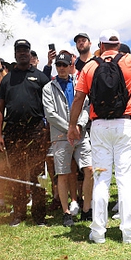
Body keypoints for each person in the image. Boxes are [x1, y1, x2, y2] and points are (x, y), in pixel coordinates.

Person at [69, 22, 131, 244]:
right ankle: (128, 232)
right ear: (118, 44)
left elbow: (78, 99)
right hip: (125, 124)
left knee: (101, 179)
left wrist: (72, 126)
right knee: (125, 179)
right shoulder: (130, 61)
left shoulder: (89, 66)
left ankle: (98, 232)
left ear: (101, 45)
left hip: (99, 127)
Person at [0, 39, 51, 227]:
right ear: (15, 54)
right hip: (13, 131)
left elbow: (49, 107)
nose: (22, 53)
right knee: (16, 173)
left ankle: (39, 215)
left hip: (36, 130)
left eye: (25, 50)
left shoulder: (41, 77)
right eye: (19, 51)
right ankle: (18, 213)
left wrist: (48, 131)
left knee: (38, 173)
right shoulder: (7, 79)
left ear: (29, 53)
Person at [43, 51, 90, 227]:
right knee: (62, 174)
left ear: (71, 66)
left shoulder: (79, 83)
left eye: (65, 65)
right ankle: (66, 212)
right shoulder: (48, 88)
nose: (61, 68)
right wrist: (70, 129)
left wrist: (79, 126)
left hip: (81, 134)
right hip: (61, 137)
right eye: (58, 65)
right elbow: (50, 114)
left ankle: (86, 208)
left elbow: (86, 106)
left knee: (90, 169)